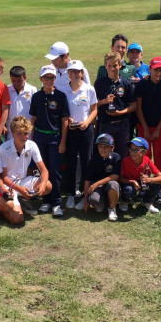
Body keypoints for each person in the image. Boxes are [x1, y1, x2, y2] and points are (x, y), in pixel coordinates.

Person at [29, 65, 69, 216]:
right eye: (46, 77)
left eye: (52, 77)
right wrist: (31, 140)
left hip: (55, 137)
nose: (49, 80)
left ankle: (56, 202)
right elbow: (33, 119)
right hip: (39, 137)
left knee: (55, 170)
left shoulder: (60, 96)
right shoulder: (37, 97)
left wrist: (63, 142)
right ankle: (45, 201)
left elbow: (65, 120)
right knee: (41, 170)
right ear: (41, 79)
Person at [0, 116, 52, 217]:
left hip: (23, 181)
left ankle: (22, 200)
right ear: (12, 133)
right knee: (17, 219)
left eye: (26, 133)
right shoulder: (3, 149)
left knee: (48, 185)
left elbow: (44, 169)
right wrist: (19, 189)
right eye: (19, 133)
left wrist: (43, 183)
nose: (24, 137)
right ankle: (4, 205)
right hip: (8, 185)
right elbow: (4, 178)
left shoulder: (32, 145)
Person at [63, 59, 98, 211]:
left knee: (86, 162)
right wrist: (69, 119)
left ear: (82, 73)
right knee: (71, 162)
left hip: (86, 131)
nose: (75, 74)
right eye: (71, 71)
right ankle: (71, 193)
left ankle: (85, 194)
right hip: (70, 131)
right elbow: (63, 112)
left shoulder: (89, 89)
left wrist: (87, 122)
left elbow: (94, 109)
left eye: (77, 71)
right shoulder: (64, 90)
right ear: (68, 74)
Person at [94, 51, 137, 160]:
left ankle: (120, 177)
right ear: (105, 66)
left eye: (115, 65)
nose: (112, 68)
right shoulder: (99, 83)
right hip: (106, 124)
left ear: (120, 65)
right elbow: (93, 104)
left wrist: (120, 113)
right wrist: (104, 101)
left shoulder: (127, 84)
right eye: (109, 66)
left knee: (122, 155)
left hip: (123, 125)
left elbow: (134, 105)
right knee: (105, 155)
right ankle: (108, 177)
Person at [135, 56, 161, 172]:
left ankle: (159, 184)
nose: (159, 73)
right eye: (156, 69)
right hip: (143, 125)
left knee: (159, 154)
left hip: (160, 126)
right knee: (144, 154)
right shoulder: (141, 84)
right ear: (150, 69)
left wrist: (158, 129)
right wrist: (145, 128)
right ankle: (144, 180)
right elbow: (138, 108)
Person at [119, 137, 161, 215]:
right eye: (131, 149)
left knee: (158, 182)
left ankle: (146, 201)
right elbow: (120, 178)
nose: (132, 152)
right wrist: (132, 182)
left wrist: (149, 180)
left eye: (136, 150)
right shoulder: (125, 161)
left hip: (143, 183)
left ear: (144, 152)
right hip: (129, 184)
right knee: (128, 190)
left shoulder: (147, 161)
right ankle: (124, 201)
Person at [82, 133, 121, 222]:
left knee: (113, 184)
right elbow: (87, 180)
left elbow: (115, 176)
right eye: (100, 146)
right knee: (94, 200)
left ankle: (112, 208)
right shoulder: (94, 160)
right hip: (98, 188)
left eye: (106, 147)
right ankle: (102, 202)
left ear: (112, 148)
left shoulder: (116, 158)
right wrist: (86, 201)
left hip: (109, 185)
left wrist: (97, 183)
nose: (102, 149)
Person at [6, 66, 36, 139]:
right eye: (14, 81)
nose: (16, 83)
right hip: (11, 133)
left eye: (19, 81)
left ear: (25, 77)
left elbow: (35, 112)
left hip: (27, 132)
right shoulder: (7, 90)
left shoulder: (32, 90)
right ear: (10, 78)